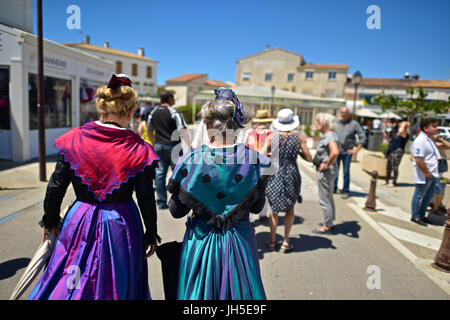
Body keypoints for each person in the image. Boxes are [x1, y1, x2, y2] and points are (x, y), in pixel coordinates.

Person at [29, 74, 160, 300]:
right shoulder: (139, 148)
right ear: (130, 111)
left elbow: (56, 185)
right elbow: (146, 196)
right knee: (117, 280)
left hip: (80, 218)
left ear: (101, 108)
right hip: (121, 222)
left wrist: (50, 221)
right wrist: (151, 232)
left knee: (71, 277)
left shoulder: (74, 138)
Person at [167, 88, 268, 300]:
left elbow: (176, 211)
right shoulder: (254, 161)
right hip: (240, 241)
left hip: (201, 242)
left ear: (209, 124)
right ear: (235, 124)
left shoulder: (192, 160)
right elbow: (258, 208)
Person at [265, 108, 313, 252]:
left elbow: (260, 155)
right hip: (291, 173)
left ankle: (273, 241)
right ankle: (286, 240)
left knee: (273, 210)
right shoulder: (298, 138)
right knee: (290, 209)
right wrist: (296, 153)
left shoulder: (272, 137)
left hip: (274, 173)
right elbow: (309, 158)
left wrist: (271, 154)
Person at [147, 91, 190, 209]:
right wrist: (189, 146)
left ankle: (161, 202)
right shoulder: (174, 112)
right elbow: (182, 130)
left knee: (160, 175)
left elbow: (149, 131)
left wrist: (154, 143)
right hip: (173, 147)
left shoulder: (153, 112)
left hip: (159, 146)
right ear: (170, 99)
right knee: (178, 174)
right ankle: (179, 203)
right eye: (173, 98)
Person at [311, 113, 340, 234]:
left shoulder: (329, 136)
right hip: (331, 170)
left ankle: (327, 226)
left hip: (327, 171)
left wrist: (326, 164)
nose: (316, 123)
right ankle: (330, 221)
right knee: (328, 196)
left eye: (318, 121)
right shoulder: (331, 135)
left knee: (324, 199)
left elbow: (335, 152)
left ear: (324, 123)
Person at [410, 118, 441, 226]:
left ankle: (422, 215)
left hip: (433, 173)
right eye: (434, 126)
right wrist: (427, 172)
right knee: (419, 195)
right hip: (425, 174)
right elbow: (418, 158)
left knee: (428, 196)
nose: (436, 128)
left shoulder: (430, 139)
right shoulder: (420, 141)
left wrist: (440, 139)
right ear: (426, 128)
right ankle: (415, 216)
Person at [246, 109, 273, 224]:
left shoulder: (250, 132)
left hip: (251, 163)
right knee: (265, 189)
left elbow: (245, 146)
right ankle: (262, 214)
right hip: (266, 163)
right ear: (267, 121)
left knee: (251, 190)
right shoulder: (271, 134)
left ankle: (250, 218)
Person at [334, 107, 366, 199]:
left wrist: (356, 150)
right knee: (335, 171)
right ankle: (334, 187)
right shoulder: (336, 123)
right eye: (342, 112)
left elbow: (362, 137)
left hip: (347, 153)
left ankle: (345, 190)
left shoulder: (354, 124)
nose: (343, 114)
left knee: (346, 172)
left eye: (345, 113)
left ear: (349, 114)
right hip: (337, 151)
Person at [384, 121, 410, 187]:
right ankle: (386, 180)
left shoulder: (405, 134)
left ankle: (394, 182)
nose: (399, 125)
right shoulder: (395, 132)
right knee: (388, 167)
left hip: (397, 152)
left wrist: (404, 124)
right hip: (391, 150)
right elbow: (390, 141)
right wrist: (386, 136)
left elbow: (401, 131)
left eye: (401, 125)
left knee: (394, 167)